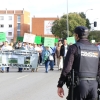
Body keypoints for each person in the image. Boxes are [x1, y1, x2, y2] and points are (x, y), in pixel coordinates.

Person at [57, 26, 100, 100]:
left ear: (77, 35)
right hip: (94, 85)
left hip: (79, 86)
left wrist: (60, 84)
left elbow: (67, 68)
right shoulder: (96, 49)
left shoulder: (74, 48)